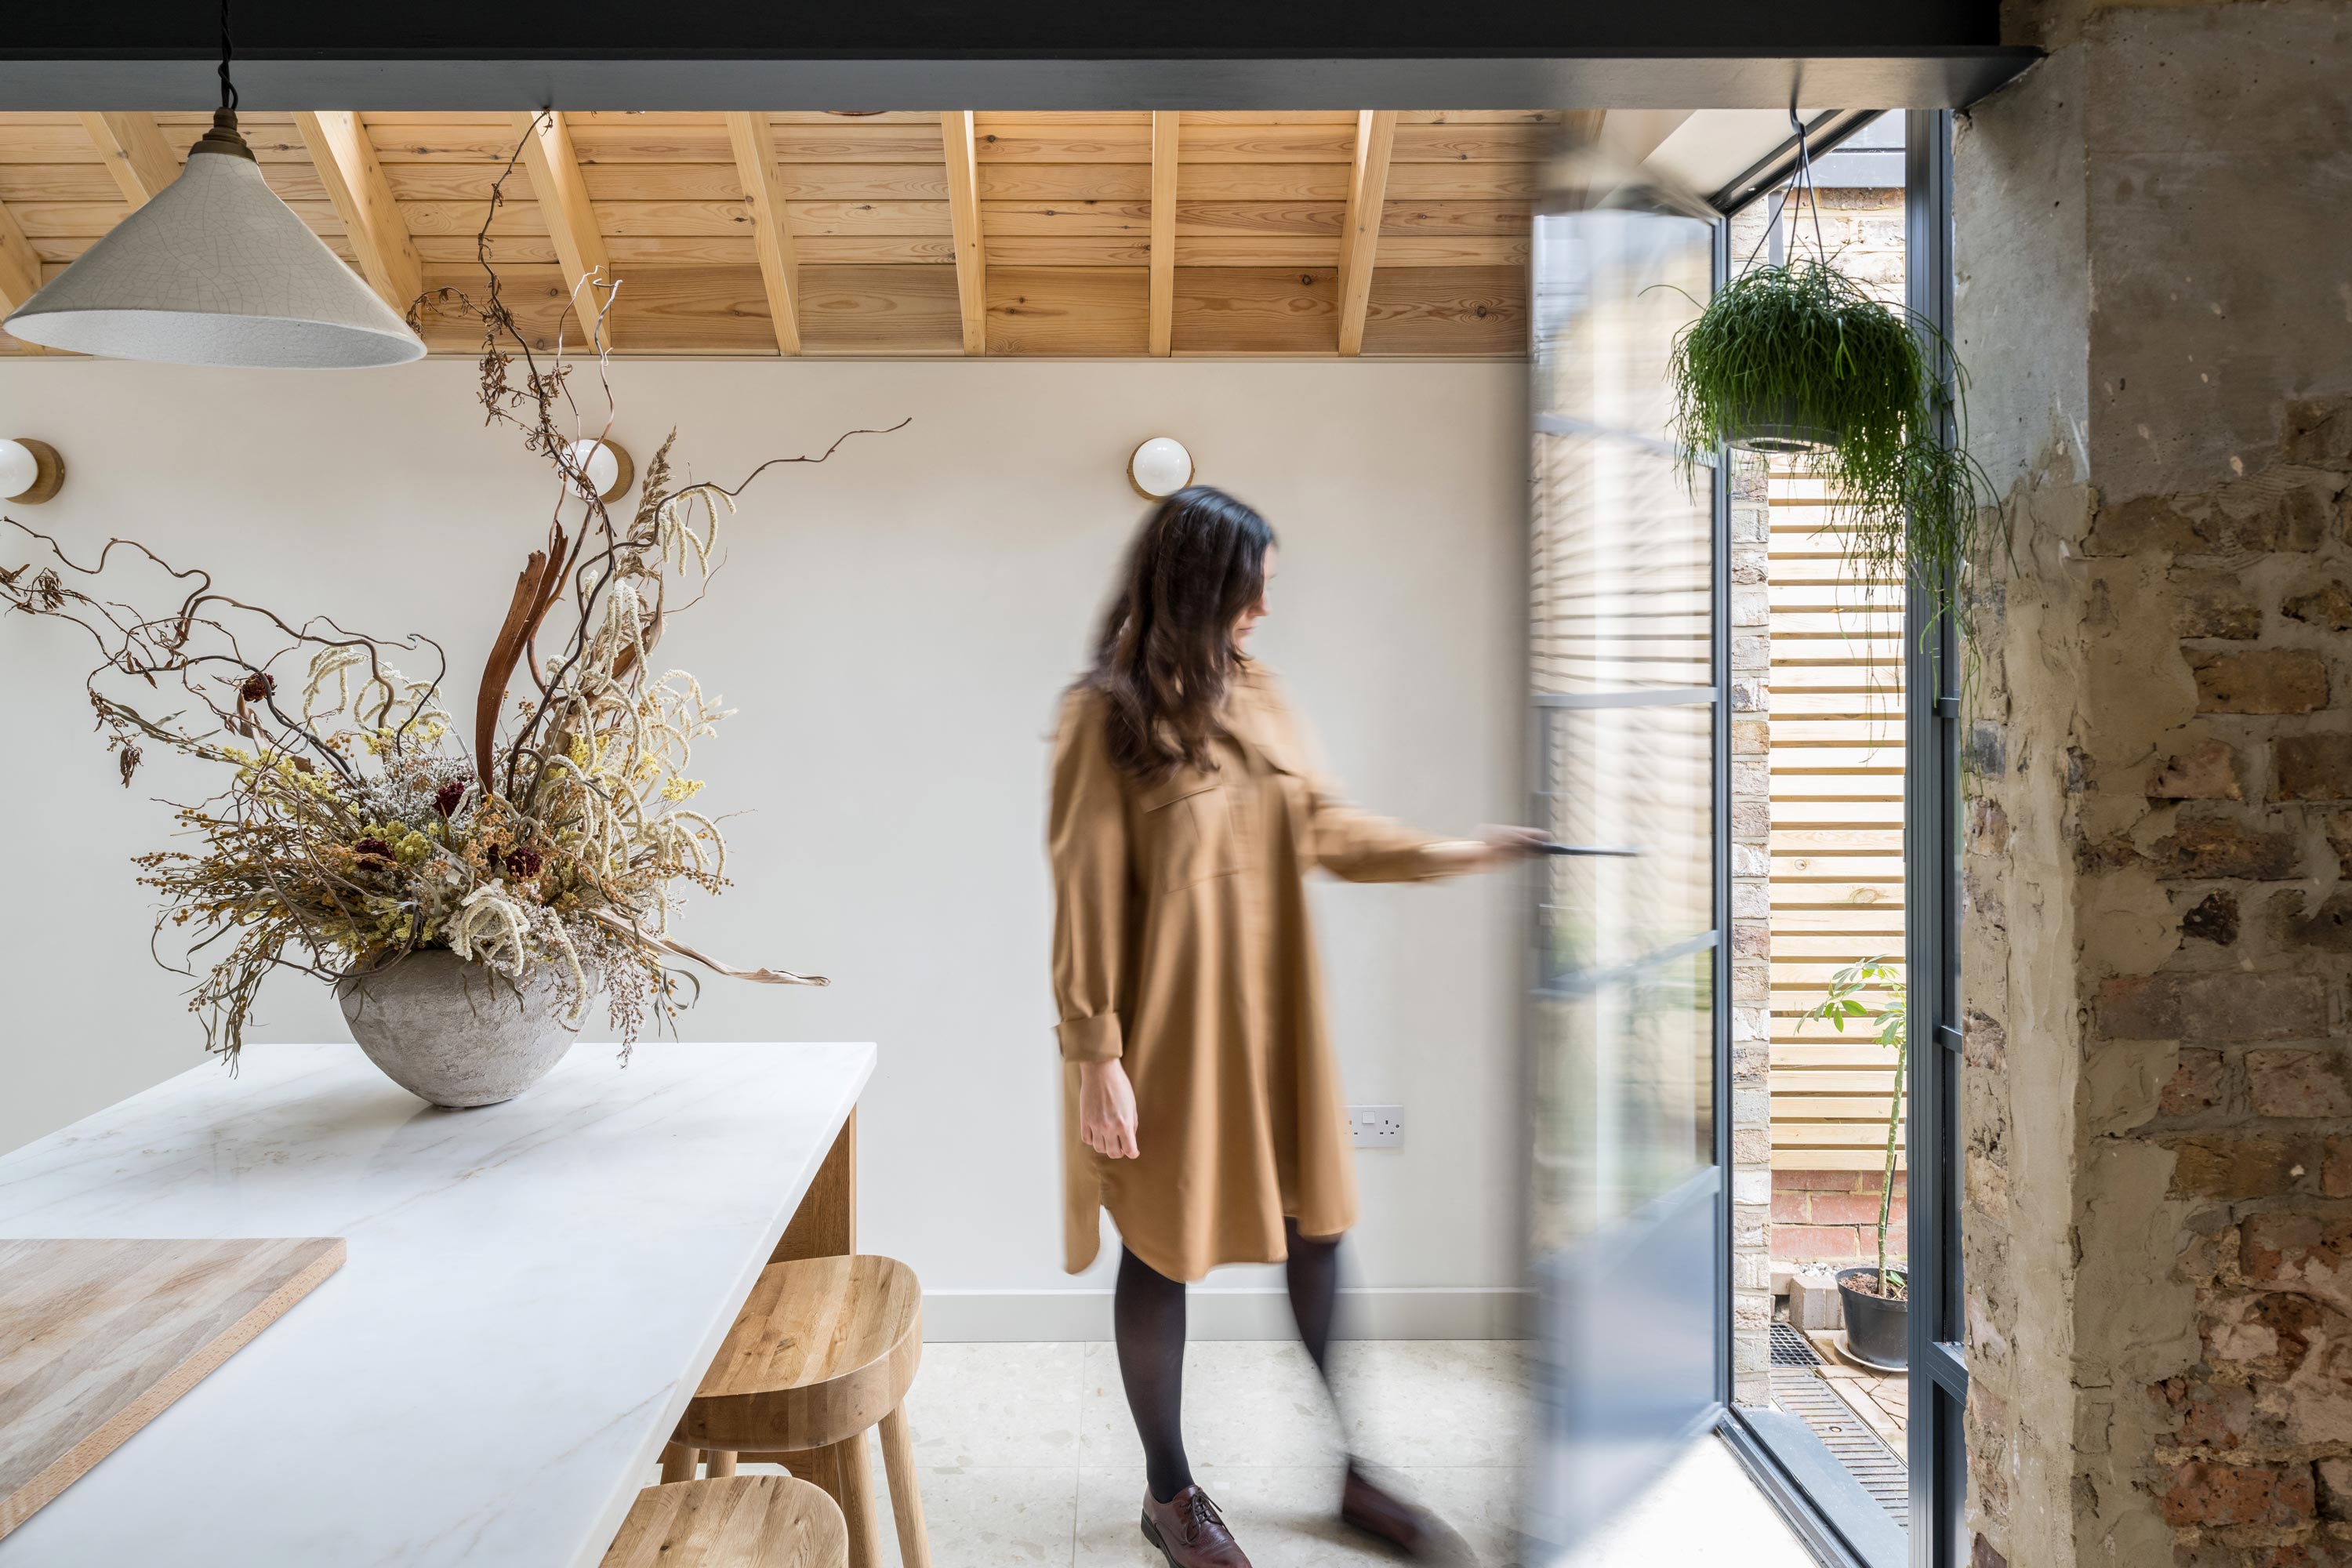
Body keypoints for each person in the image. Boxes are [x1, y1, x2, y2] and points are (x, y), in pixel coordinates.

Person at [1047, 485, 1542, 1566]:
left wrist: (1457, 853)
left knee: (1319, 1229)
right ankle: (1170, 1492)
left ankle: (1355, 1467)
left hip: (1279, 1028)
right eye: (1251, 589)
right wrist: (1097, 1057)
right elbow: (1082, 893)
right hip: (1168, 1040)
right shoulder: (1105, 715)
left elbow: (1326, 827)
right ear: (1201, 586)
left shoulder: (1261, 693)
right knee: (1160, 1248)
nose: (1264, 610)